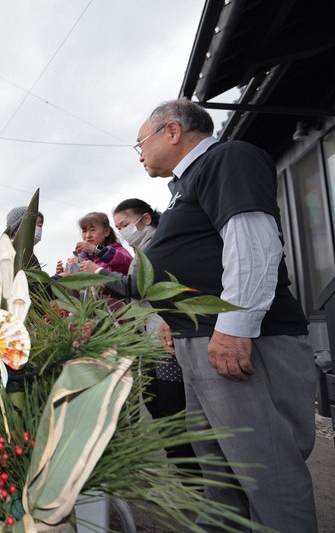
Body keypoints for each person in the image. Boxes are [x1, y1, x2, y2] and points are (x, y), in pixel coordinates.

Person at [135, 98, 316, 531]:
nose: (140, 154)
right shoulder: (186, 186)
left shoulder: (226, 158)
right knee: (220, 468)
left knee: (264, 467)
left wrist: (234, 327)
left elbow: (252, 241)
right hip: (201, 342)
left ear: (172, 131)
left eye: (140, 143)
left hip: (239, 340)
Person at [100, 199, 196, 466]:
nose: (122, 230)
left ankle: (191, 474)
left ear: (144, 219)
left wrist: (98, 275)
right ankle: (185, 470)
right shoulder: (142, 247)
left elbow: (140, 287)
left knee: (171, 405)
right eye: (119, 226)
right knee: (155, 401)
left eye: (125, 224)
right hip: (151, 338)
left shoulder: (157, 246)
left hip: (165, 338)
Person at [57, 212, 131, 276]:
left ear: (107, 232)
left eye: (93, 230)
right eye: (84, 231)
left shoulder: (119, 251)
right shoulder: (80, 258)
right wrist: (65, 274)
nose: (88, 236)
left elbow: (128, 266)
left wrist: (97, 250)